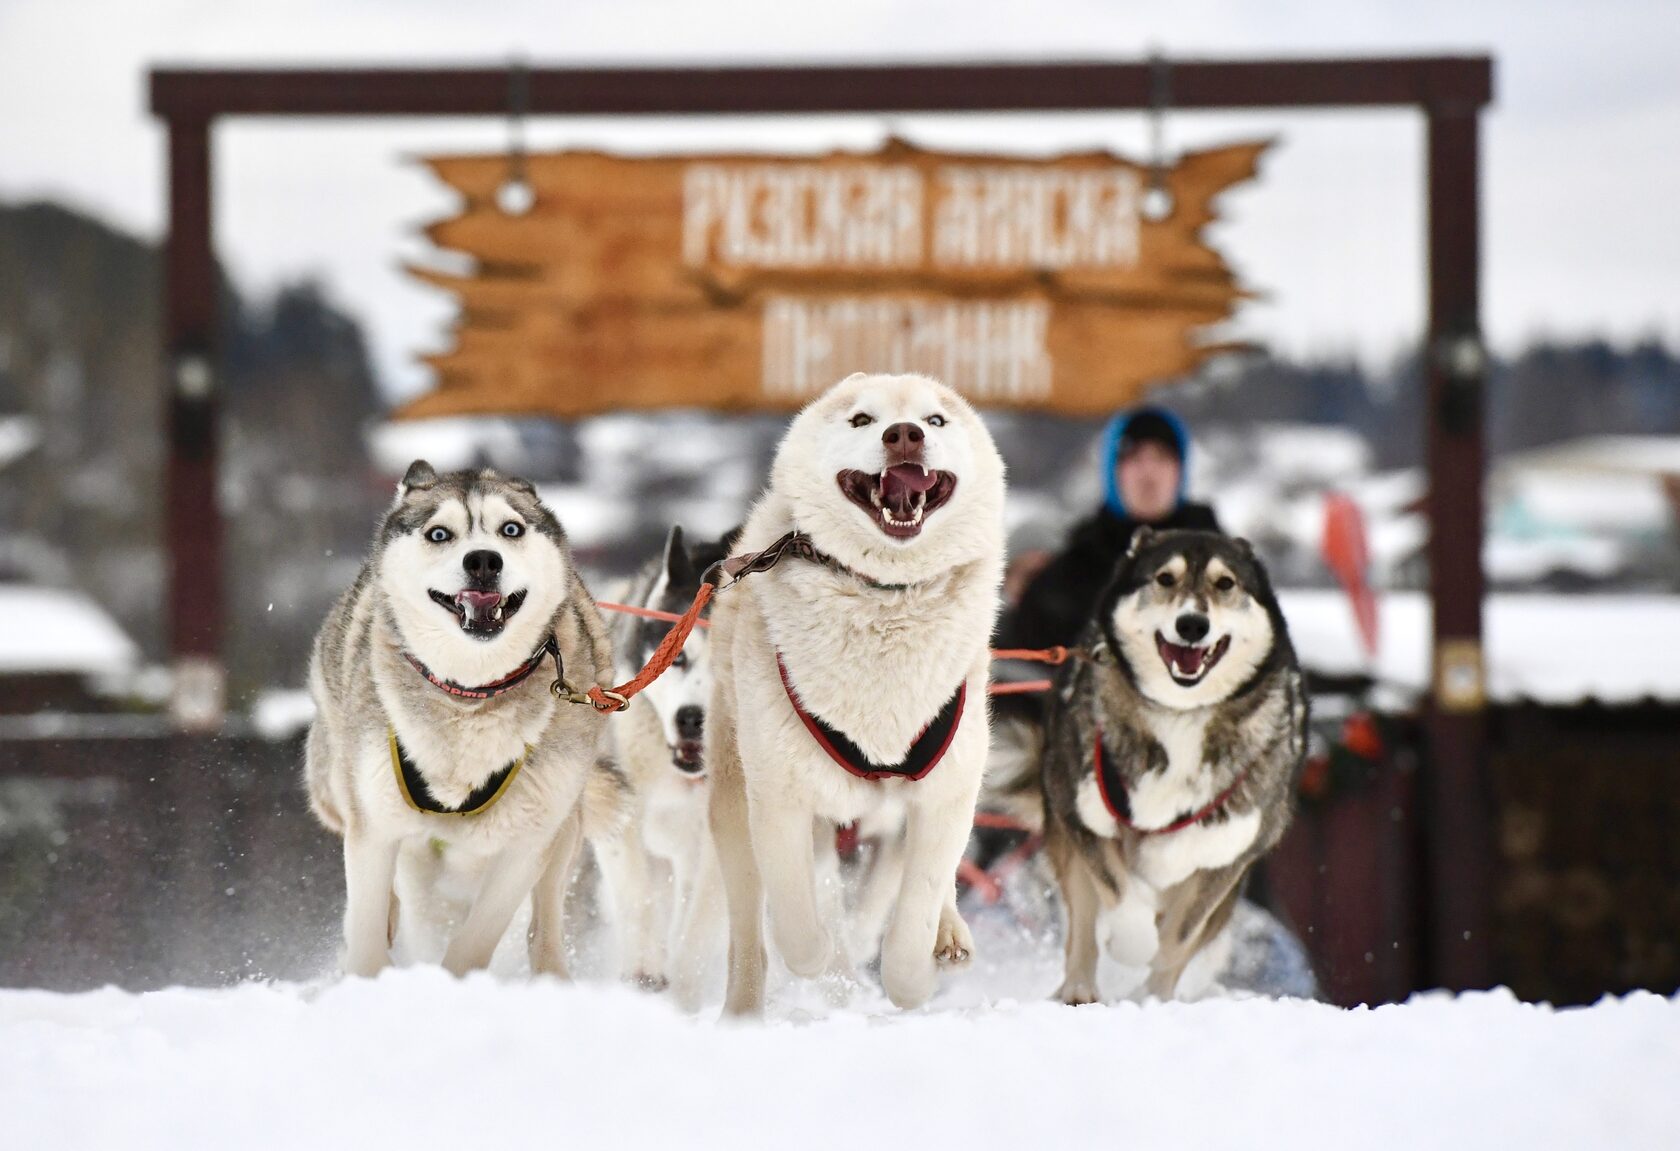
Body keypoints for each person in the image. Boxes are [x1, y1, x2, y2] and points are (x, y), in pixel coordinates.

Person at [997, 405, 1221, 652]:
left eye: (1162, 457)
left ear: (1181, 470)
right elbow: (1021, 655)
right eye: (1133, 458)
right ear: (1112, 470)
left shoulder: (1222, 565)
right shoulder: (1072, 570)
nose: (1148, 473)